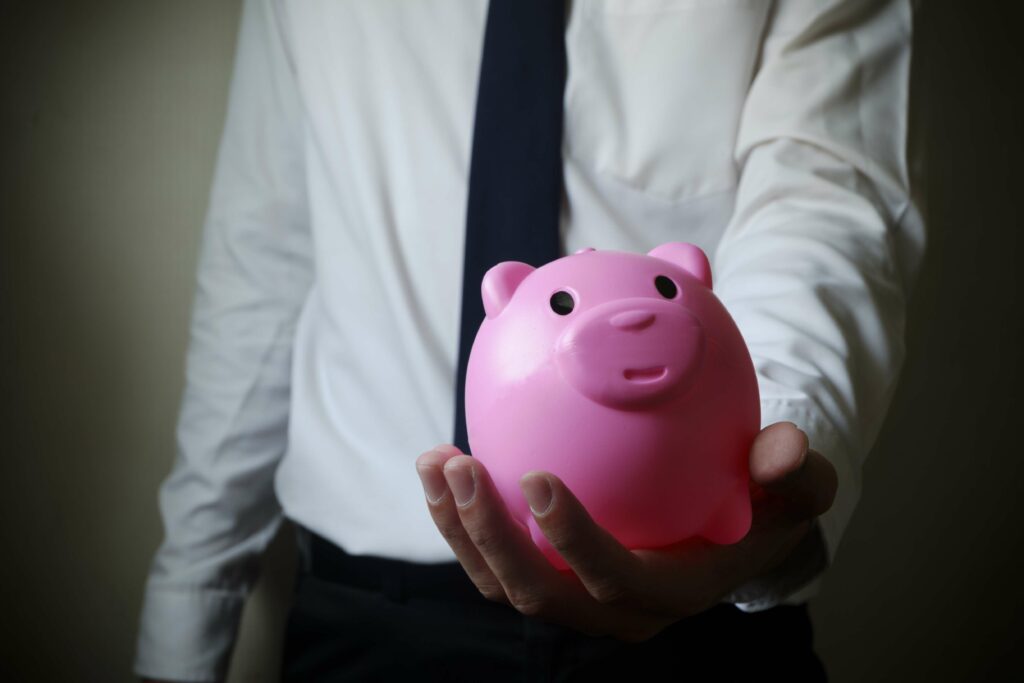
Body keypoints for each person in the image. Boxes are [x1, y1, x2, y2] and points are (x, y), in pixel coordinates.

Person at [133, 0, 924, 681]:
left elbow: (828, 202)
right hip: (372, 616)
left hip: (705, 594)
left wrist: (755, 501)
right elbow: (263, 265)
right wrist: (187, 617)